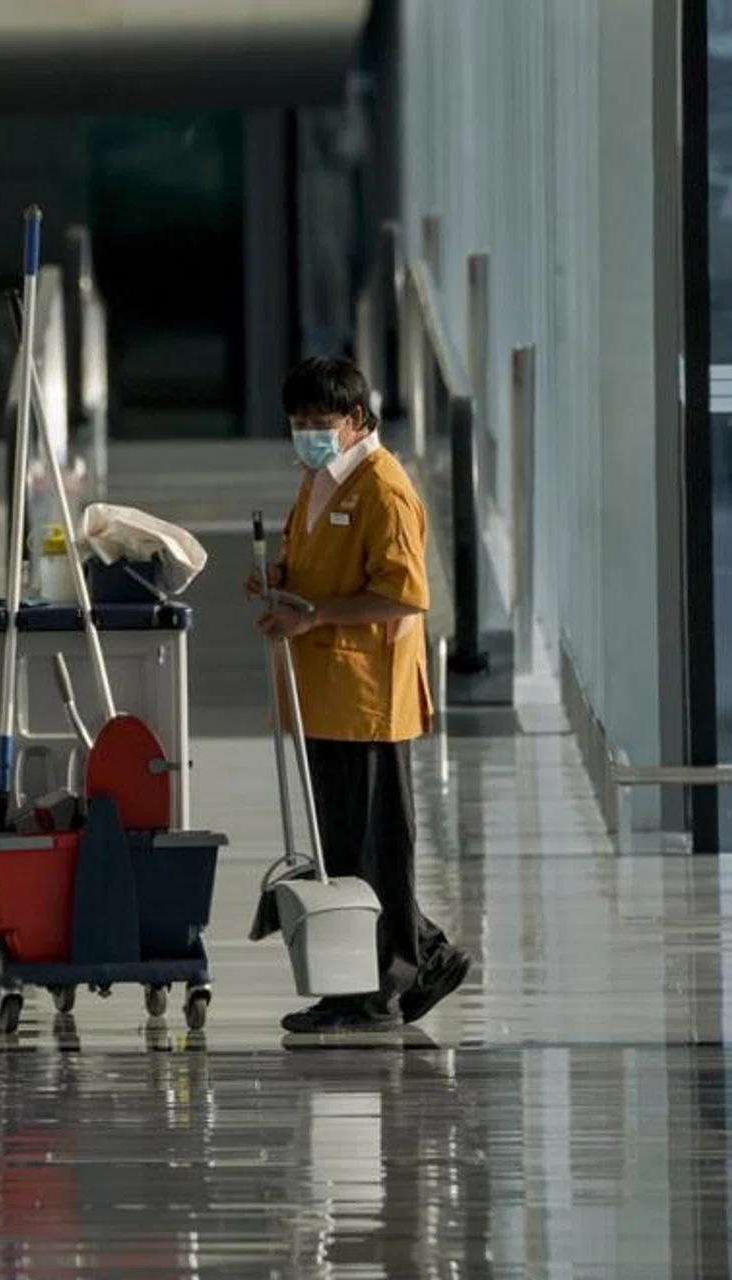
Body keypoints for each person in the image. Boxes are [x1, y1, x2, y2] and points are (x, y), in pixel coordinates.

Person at [246, 355, 472, 1034]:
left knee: (371, 846)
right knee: (342, 843)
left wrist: (312, 616)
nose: (308, 435)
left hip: (366, 694)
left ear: (357, 420)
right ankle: (402, 964)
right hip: (325, 690)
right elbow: (322, 561)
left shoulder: (384, 488)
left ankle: (378, 990)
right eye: (298, 423)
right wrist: (281, 579)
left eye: (321, 423)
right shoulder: (322, 478)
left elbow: (405, 594)